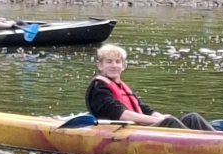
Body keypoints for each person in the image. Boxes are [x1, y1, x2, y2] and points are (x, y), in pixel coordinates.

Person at [85, 44, 216, 130]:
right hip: (120, 131)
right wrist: (158, 120)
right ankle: (205, 147)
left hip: (138, 128)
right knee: (170, 122)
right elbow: (122, 115)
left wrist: (160, 116)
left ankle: (220, 141)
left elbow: (145, 109)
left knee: (192, 117)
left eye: (117, 62)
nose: (114, 66)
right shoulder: (98, 88)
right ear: (100, 66)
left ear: (123, 66)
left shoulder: (122, 87)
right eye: (109, 62)